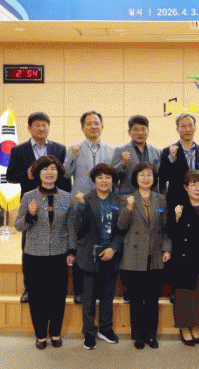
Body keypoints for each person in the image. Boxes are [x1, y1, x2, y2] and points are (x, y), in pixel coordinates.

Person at [6, 112, 71, 303]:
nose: (41, 129)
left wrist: (67, 199)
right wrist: (25, 174)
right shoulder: (18, 150)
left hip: (55, 199)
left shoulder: (59, 148)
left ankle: (54, 286)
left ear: (49, 127)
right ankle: (29, 288)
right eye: (37, 125)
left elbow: (64, 176)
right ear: (29, 128)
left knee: (56, 240)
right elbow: (10, 176)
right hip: (31, 200)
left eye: (44, 125)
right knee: (29, 245)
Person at [14, 155, 75, 350]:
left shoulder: (67, 197)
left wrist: (71, 250)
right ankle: (40, 335)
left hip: (59, 254)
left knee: (57, 297)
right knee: (37, 298)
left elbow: (71, 227)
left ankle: (55, 333)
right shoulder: (28, 196)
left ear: (58, 173)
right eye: (45, 169)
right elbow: (18, 225)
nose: (50, 173)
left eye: (53, 169)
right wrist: (30, 215)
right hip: (34, 255)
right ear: (38, 173)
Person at [117, 163, 171, 350]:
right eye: (142, 175)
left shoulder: (161, 200)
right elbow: (121, 226)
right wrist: (128, 208)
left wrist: (167, 249)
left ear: (154, 179)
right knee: (137, 299)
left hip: (155, 254)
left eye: (149, 175)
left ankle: (151, 334)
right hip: (134, 256)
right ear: (136, 178)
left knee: (152, 299)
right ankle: (138, 335)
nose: (146, 178)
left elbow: (166, 228)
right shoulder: (126, 199)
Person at [64, 110, 114, 305]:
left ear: (102, 126)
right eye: (89, 123)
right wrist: (72, 156)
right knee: (81, 246)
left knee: (102, 243)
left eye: (96, 123)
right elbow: (65, 173)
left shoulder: (111, 150)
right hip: (81, 204)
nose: (93, 126)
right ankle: (79, 291)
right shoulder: (74, 148)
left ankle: (100, 290)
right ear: (82, 127)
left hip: (103, 205)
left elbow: (114, 177)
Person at [71, 163, 122, 350]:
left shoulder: (119, 201)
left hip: (111, 255)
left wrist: (113, 249)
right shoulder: (84, 199)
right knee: (89, 298)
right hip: (89, 255)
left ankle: (106, 329)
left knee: (107, 296)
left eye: (108, 177)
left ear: (112, 181)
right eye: (100, 177)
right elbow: (78, 229)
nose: (104, 181)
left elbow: (121, 230)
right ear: (94, 181)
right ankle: (89, 332)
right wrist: (81, 208)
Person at [167, 170, 199, 346]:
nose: (197, 188)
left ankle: (195, 328)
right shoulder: (179, 208)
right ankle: (184, 330)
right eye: (193, 185)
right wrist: (176, 218)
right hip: (184, 260)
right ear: (186, 187)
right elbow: (170, 233)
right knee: (184, 296)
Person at [159, 113, 199, 210]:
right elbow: (163, 178)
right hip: (177, 204)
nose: (187, 129)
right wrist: (171, 159)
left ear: (195, 128)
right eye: (183, 126)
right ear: (177, 129)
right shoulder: (167, 151)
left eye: (190, 126)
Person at [112, 115, 161, 196]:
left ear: (148, 131)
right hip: (128, 197)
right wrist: (123, 164)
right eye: (136, 130)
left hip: (152, 197)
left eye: (143, 129)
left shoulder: (156, 151)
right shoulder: (120, 150)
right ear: (129, 132)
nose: (140, 133)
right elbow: (113, 176)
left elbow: (160, 176)